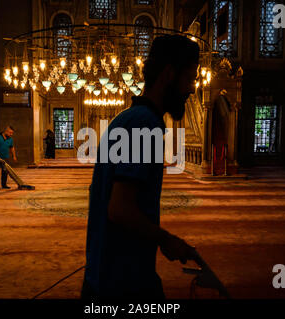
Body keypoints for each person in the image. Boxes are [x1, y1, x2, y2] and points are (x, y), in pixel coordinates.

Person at [82, 35, 200, 299]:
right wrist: (167, 240)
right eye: (190, 78)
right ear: (170, 73)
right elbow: (120, 209)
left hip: (105, 276)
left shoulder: (125, 118)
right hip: (122, 285)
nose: (192, 89)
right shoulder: (145, 125)